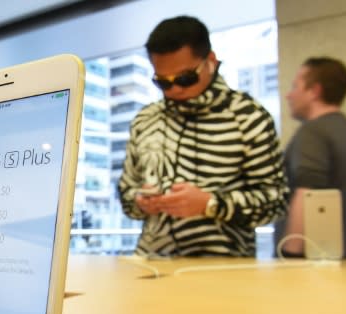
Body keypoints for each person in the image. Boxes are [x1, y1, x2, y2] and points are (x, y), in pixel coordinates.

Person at [117, 16, 287, 257]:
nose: (175, 89)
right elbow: (126, 193)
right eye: (163, 82)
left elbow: (275, 201)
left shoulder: (248, 116)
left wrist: (210, 204)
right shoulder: (146, 120)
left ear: (211, 61)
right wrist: (140, 201)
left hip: (224, 269)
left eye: (185, 78)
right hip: (152, 264)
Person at [277, 57, 346, 259]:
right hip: (339, 263)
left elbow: (306, 193)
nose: (288, 95)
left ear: (314, 91)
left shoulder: (313, 133)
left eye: (295, 86)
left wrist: (289, 257)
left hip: (308, 268)